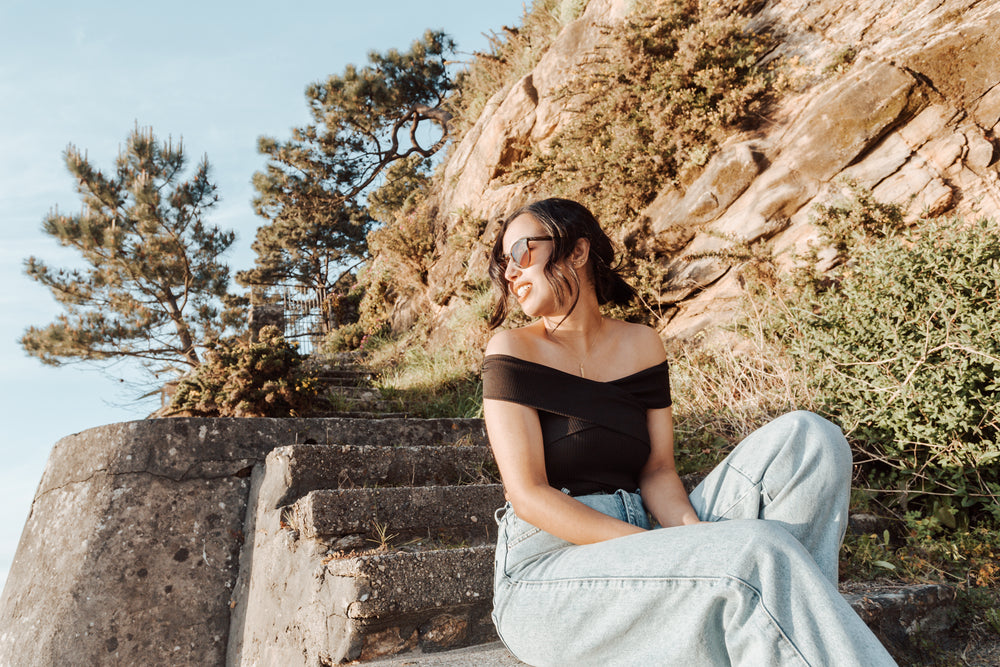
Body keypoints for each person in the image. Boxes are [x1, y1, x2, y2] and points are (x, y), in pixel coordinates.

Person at [481, 198, 897, 666]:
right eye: (500, 265)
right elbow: (528, 494)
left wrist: (693, 538)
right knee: (756, 549)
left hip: (650, 538)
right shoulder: (512, 349)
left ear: (576, 252)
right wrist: (670, 550)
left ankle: (789, 634)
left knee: (810, 439)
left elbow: (658, 471)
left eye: (520, 252)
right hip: (551, 573)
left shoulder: (642, 344)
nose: (509, 272)